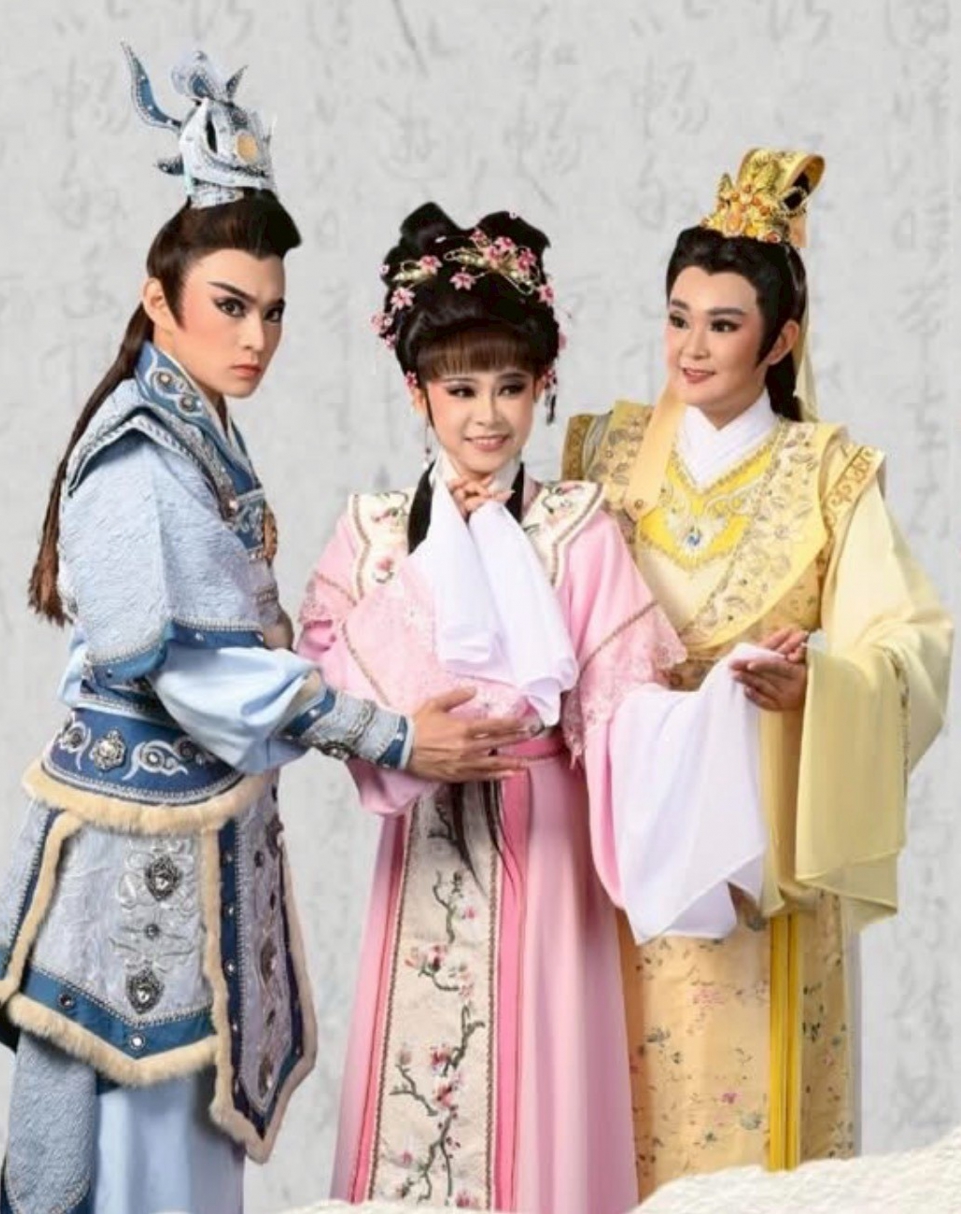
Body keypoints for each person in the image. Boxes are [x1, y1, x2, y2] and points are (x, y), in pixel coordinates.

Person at [0, 48, 526, 1214]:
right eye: (230, 304)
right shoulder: (138, 457)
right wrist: (388, 732)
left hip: (186, 842)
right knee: (142, 1159)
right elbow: (202, 674)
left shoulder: (196, 426)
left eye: (271, 311)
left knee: (180, 1150)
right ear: (158, 298)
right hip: (133, 866)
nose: (256, 334)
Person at [562, 148, 953, 1197]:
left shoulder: (828, 473)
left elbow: (910, 641)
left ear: (780, 339)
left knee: (756, 1147)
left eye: (723, 324)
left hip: (761, 835)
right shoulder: (603, 454)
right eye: (677, 317)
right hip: (625, 830)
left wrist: (820, 688)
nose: (691, 347)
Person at [295, 202, 693, 1213]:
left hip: (543, 840)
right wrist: (404, 728)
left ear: (541, 386)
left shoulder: (575, 525)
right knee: (416, 1083)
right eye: (461, 388)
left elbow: (627, 707)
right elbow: (316, 678)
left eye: (511, 387)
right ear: (417, 391)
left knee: (539, 1087)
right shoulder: (376, 530)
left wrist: (723, 703)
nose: (487, 416)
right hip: (426, 837)